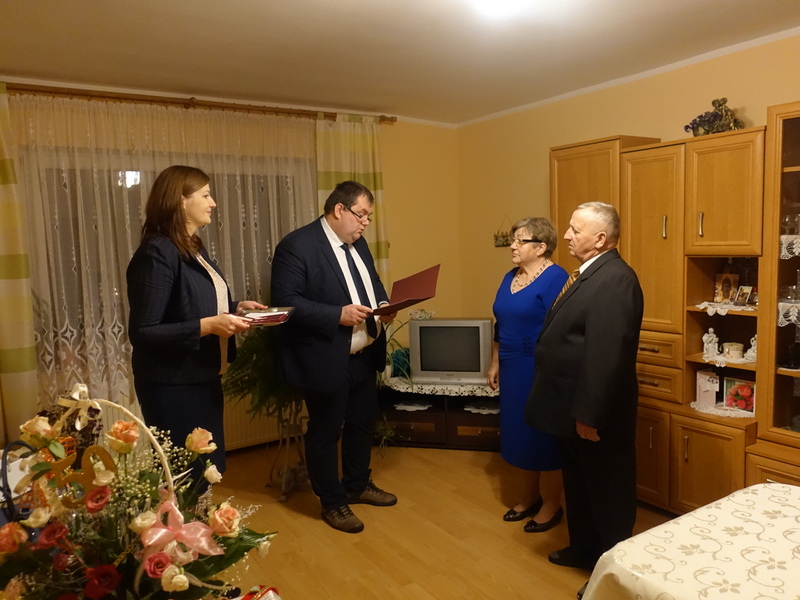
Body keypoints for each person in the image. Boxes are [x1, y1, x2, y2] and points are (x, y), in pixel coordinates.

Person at [525, 202, 643, 600]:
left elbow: (606, 355)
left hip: (595, 413)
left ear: (601, 238)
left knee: (607, 493)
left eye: (576, 230)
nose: (568, 236)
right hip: (570, 406)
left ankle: (612, 574)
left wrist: (589, 415)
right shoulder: (589, 273)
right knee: (579, 484)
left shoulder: (616, 279)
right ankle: (584, 550)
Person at [271, 180, 398, 534]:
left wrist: (384, 304)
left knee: (361, 424)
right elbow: (284, 303)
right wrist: (336, 315)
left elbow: (372, 283)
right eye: (362, 215)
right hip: (324, 357)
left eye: (369, 217)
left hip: (364, 353)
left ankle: (357, 484)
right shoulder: (297, 246)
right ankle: (332, 502)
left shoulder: (359, 244)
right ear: (339, 209)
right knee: (326, 432)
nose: (366, 223)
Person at [127, 165, 267, 477]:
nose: (212, 202)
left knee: (207, 469)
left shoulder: (191, 245)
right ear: (180, 200)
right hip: (172, 385)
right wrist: (210, 326)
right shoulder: (157, 252)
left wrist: (235, 308)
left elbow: (188, 303)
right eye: (205, 195)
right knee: (186, 476)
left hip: (201, 376)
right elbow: (144, 331)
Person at [487, 218, 568, 533]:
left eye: (520, 241)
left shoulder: (557, 278)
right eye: (514, 240)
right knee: (521, 433)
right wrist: (495, 362)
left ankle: (552, 504)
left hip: (540, 368)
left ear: (541, 247)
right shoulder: (510, 276)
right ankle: (530, 496)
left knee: (543, 436)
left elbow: (562, 330)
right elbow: (501, 324)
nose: (513, 246)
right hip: (511, 367)